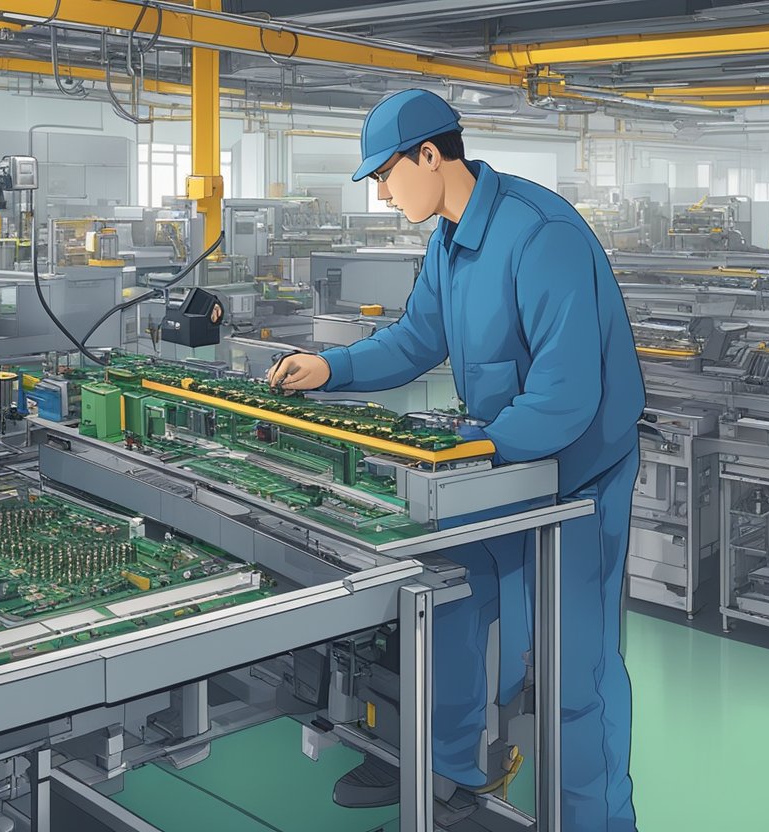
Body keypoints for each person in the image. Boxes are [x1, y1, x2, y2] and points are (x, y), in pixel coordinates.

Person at [268, 89, 644, 831]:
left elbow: (568, 399)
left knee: (575, 671)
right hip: (498, 465)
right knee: (451, 612)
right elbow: (414, 341)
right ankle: (447, 775)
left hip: (577, 479)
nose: (381, 192)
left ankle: (597, 821)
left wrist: (465, 447)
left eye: (385, 174)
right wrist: (331, 368)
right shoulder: (447, 240)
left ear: (431, 157)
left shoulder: (540, 236)